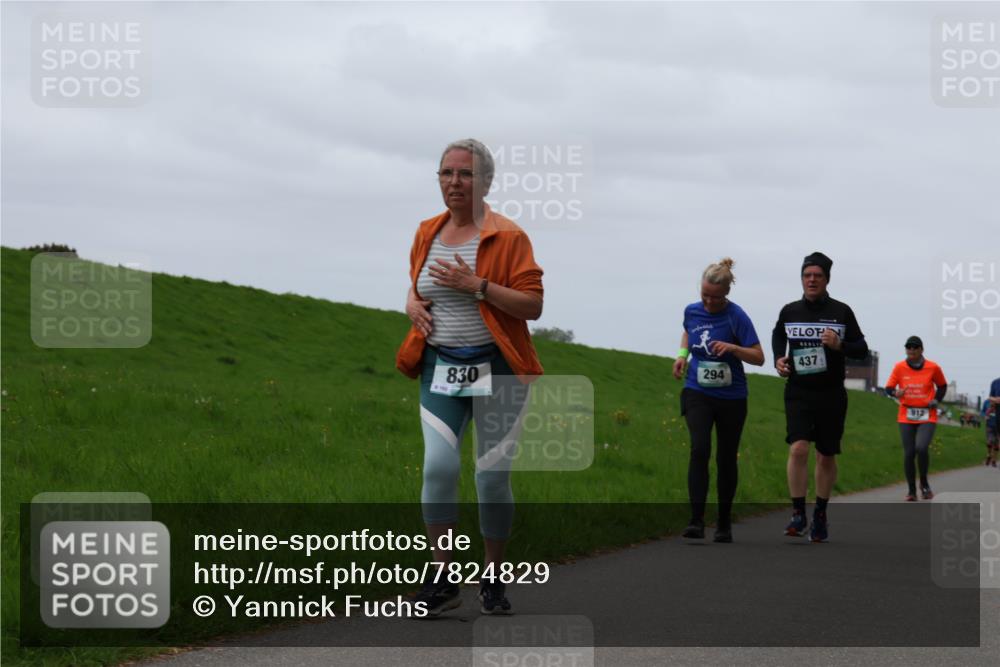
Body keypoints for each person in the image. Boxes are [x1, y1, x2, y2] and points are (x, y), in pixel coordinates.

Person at [396, 138, 544, 615]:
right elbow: (417, 285)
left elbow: (533, 305)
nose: (454, 182)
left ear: (485, 182)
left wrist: (478, 286)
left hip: (497, 369)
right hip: (440, 366)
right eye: (446, 174)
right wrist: (411, 304)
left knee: (491, 479)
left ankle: (493, 579)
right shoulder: (426, 231)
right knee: (438, 468)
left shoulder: (508, 236)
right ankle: (442, 579)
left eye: (465, 174)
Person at [772, 252, 868, 542]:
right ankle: (798, 513)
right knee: (798, 449)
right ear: (802, 278)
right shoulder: (790, 311)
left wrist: (840, 344)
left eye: (817, 276)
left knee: (825, 456)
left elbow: (861, 348)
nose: (811, 280)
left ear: (826, 279)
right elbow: (779, 335)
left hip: (831, 393)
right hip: (799, 392)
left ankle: (821, 513)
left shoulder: (841, 311)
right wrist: (779, 359)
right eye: (807, 275)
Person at [672, 258, 764, 543]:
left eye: (716, 297)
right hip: (697, 391)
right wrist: (682, 356)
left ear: (727, 294)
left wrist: (734, 348)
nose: (709, 302)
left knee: (726, 458)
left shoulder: (737, 317)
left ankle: (723, 523)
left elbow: (759, 357)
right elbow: (688, 331)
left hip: (732, 397)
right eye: (705, 296)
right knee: (700, 449)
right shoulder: (692, 311)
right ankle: (696, 521)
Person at [884, 336, 948, 501]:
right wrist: (894, 393)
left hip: (927, 414)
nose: (911, 350)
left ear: (921, 349)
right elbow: (888, 388)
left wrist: (936, 400)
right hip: (906, 414)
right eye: (908, 347)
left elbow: (942, 386)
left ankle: (924, 484)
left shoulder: (933, 367)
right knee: (909, 453)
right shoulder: (899, 367)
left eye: (915, 347)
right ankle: (912, 490)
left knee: (921, 447)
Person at [988, 378, 1000, 467]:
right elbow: (990, 397)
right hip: (998, 414)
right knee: (996, 440)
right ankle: (991, 458)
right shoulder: (995, 382)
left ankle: (994, 459)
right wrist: (996, 399)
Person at [982, 399, 997, 467]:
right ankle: (989, 455)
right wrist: (986, 417)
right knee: (990, 442)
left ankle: (993, 460)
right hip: (989, 427)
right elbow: (985, 416)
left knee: (996, 444)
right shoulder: (989, 410)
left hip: (997, 428)